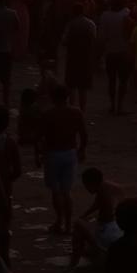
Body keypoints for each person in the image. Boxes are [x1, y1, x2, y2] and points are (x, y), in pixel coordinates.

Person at [38, 84, 88, 235]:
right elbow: (84, 135)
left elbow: (40, 137)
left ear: (53, 98)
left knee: (56, 191)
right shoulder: (76, 112)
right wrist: (82, 150)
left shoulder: (48, 114)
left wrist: (38, 154)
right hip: (70, 152)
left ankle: (59, 221)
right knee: (66, 192)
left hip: (53, 153)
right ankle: (67, 224)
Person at [68, 167, 122, 272]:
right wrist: (85, 215)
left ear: (91, 183)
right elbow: (97, 205)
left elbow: (105, 216)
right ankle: (95, 249)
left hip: (108, 230)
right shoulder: (105, 187)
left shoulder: (103, 194)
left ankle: (73, 263)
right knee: (85, 222)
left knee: (78, 225)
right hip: (116, 228)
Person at [97, 0, 133, 116]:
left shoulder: (105, 16)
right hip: (124, 51)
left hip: (110, 52)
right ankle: (120, 105)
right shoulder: (126, 14)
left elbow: (102, 37)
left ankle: (112, 105)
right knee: (123, 81)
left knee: (111, 80)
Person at [62, 3, 97, 113]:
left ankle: (72, 109)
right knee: (83, 88)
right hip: (86, 58)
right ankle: (82, 110)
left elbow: (64, 41)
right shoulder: (91, 24)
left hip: (73, 57)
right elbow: (94, 39)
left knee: (72, 86)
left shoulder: (71, 24)